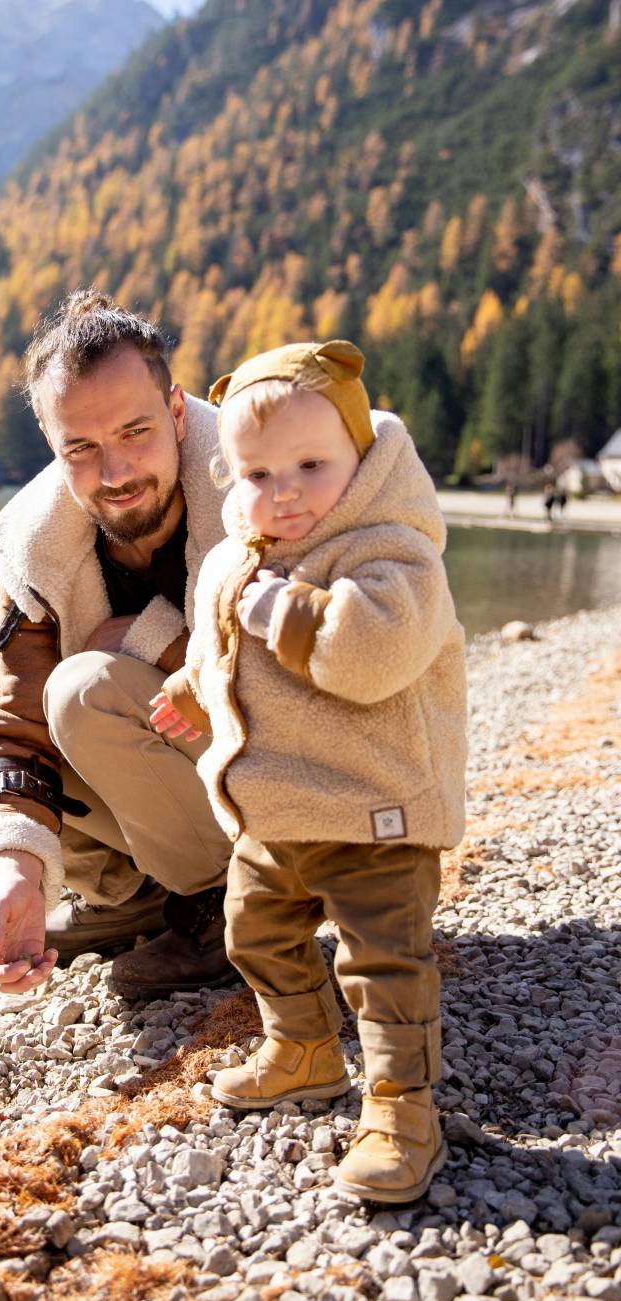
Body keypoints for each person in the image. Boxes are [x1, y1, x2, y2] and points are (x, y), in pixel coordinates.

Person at [150, 339, 467, 1205]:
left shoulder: (392, 554)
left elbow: (366, 656)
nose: (281, 489)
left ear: (361, 456)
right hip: (275, 809)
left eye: (310, 464)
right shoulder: (236, 557)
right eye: (254, 473)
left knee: (384, 966)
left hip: (376, 810)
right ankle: (303, 1050)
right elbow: (224, 647)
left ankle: (405, 1111)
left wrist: (280, 608)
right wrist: (191, 687)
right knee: (253, 934)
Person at [0, 291, 234, 999]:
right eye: (80, 448)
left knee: (84, 688)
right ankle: (128, 899)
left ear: (178, 412)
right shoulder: (36, 546)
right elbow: (14, 722)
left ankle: (227, 909)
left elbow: (306, 679)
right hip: (161, 770)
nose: (114, 473)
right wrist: (16, 871)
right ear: (51, 445)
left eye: (136, 432)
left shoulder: (261, 490)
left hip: (271, 791)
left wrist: (151, 642)